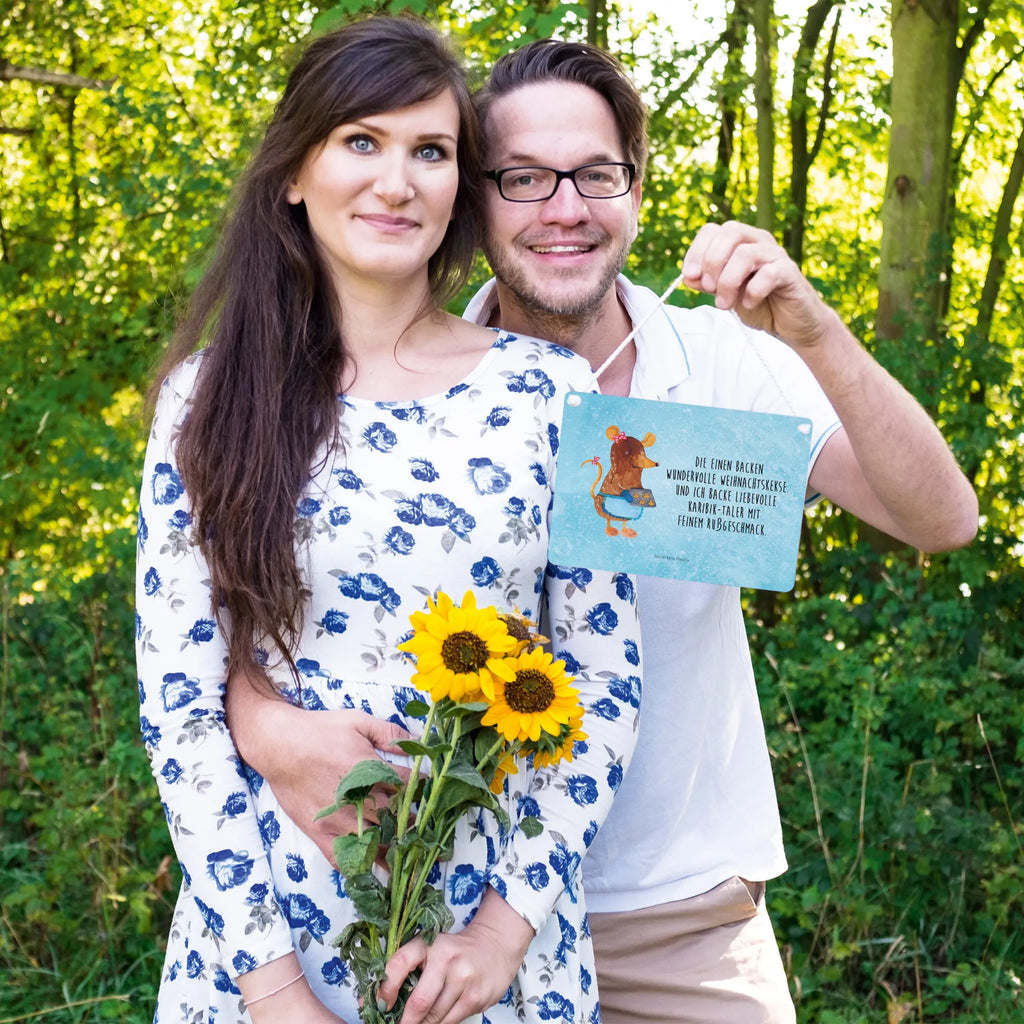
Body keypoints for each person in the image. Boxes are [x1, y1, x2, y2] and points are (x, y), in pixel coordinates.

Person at [226, 36, 979, 1024]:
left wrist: (810, 327)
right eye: (525, 178)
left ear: (636, 187)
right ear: (473, 197)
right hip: (456, 905)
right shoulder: (404, 381)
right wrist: (259, 717)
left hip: (680, 919)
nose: (565, 208)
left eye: (595, 174)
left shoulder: (719, 357)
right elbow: (272, 620)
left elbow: (941, 519)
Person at [135, 19, 641, 1024]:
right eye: (361, 142)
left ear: (460, 188)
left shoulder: (557, 393)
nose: (397, 182)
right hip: (266, 938)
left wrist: (499, 934)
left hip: (487, 947)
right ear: (294, 172)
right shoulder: (208, 399)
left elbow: (605, 679)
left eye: (432, 151)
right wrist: (276, 994)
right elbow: (179, 707)